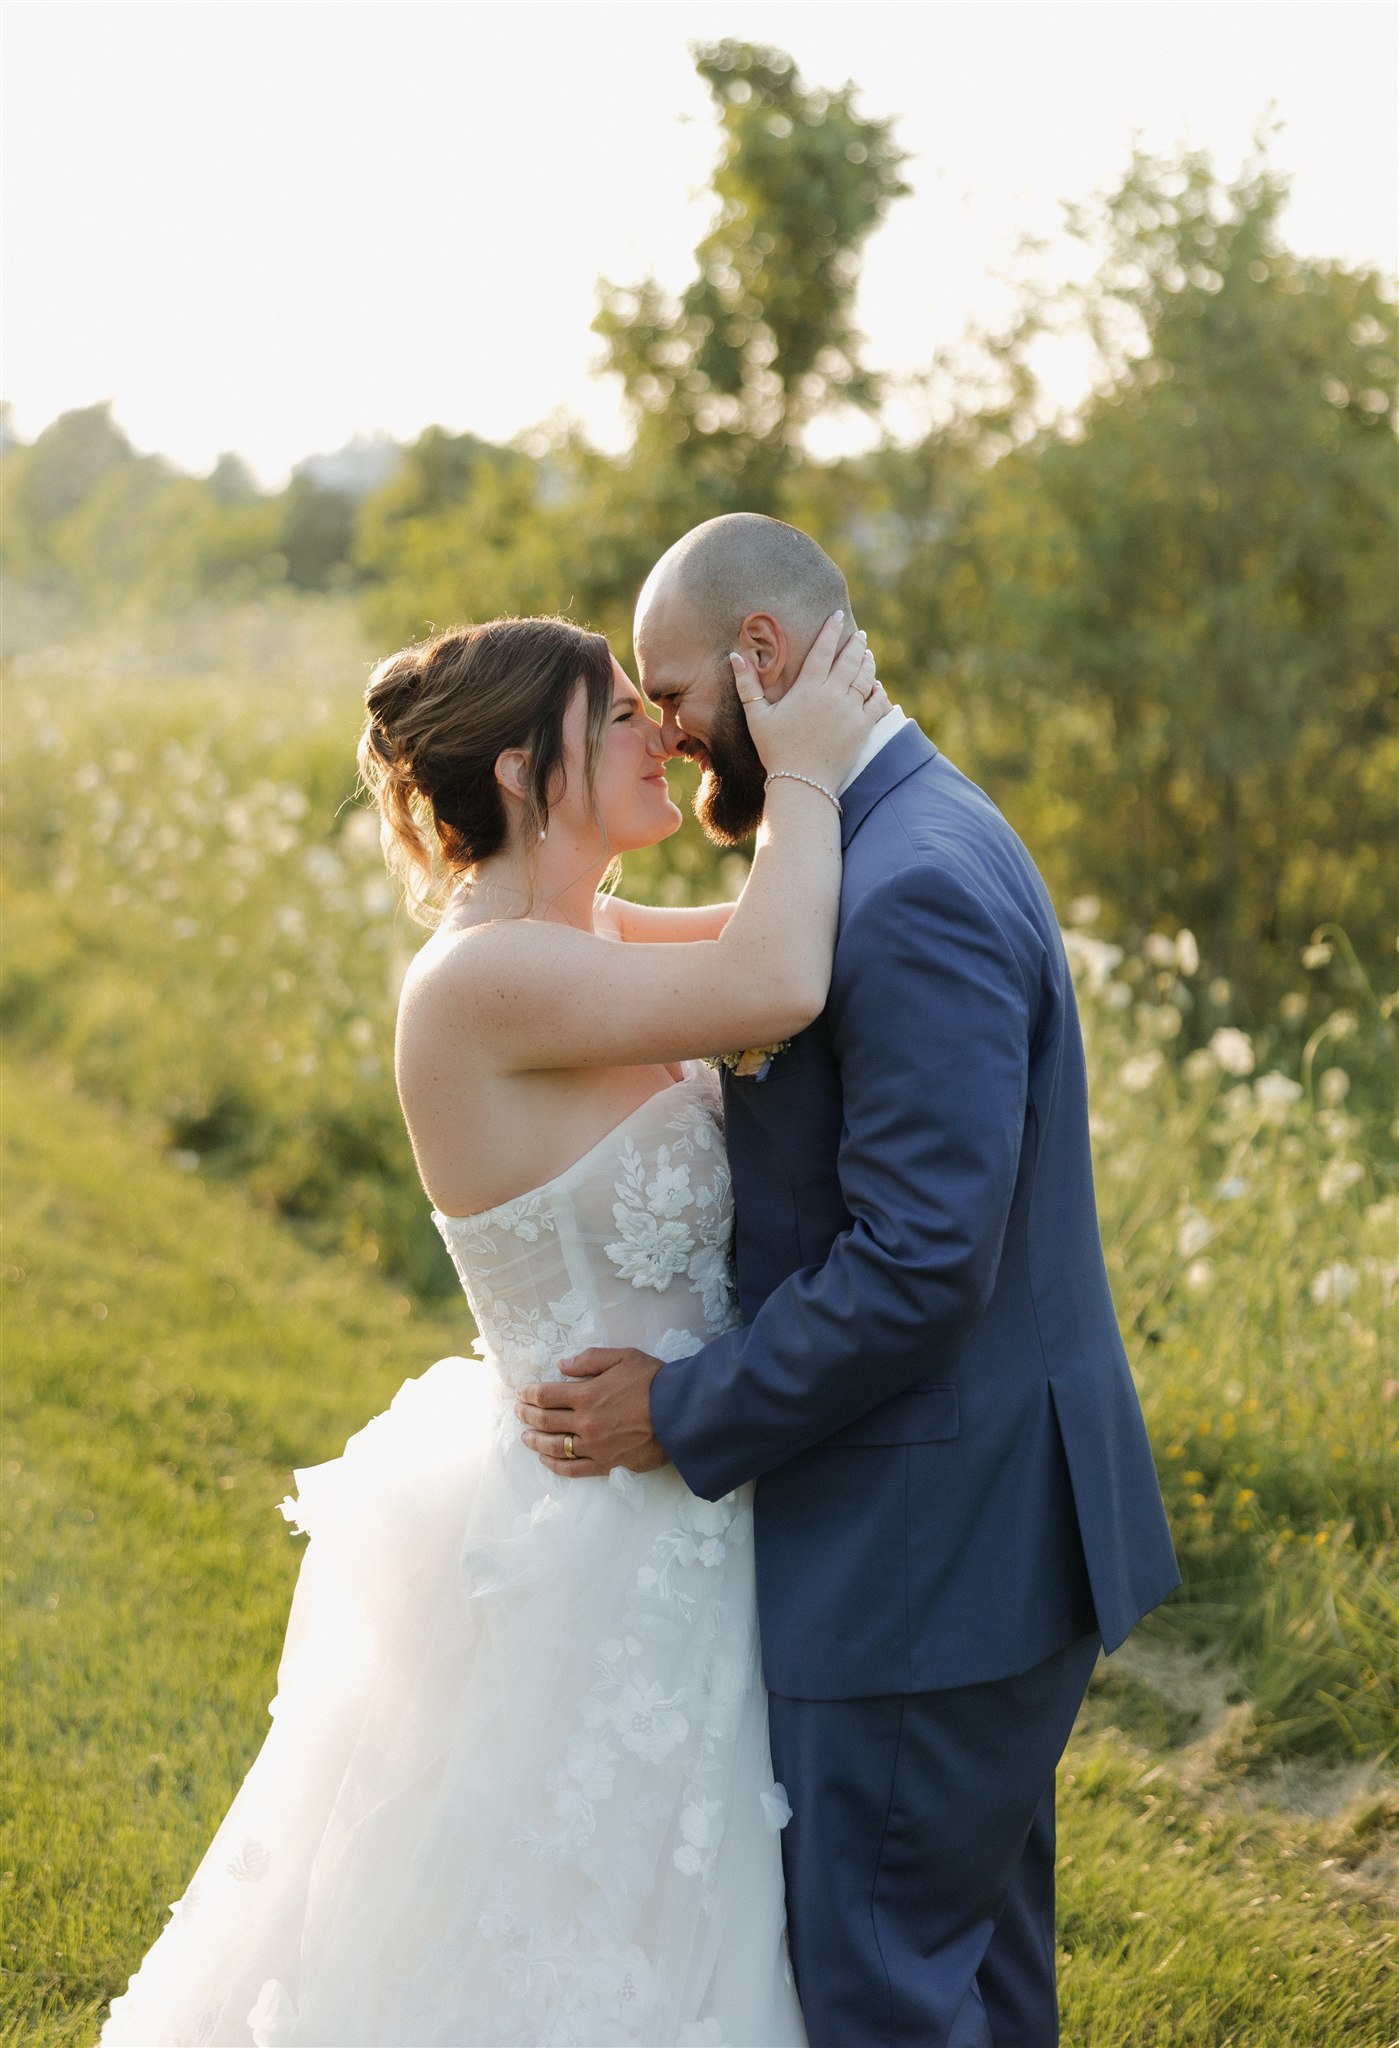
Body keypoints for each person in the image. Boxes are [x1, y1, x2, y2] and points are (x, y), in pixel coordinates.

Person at [98, 605, 885, 2048]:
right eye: (620, 715)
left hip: (682, 1498)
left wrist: (851, 787)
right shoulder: (480, 977)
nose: (659, 733)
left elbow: (810, 933)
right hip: (598, 1526)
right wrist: (817, 771)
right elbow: (775, 981)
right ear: (526, 772)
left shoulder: (577, 931)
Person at [517, 514, 1182, 2048]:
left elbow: (922, 1260)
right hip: (975, 1544)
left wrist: (683, 1412)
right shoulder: (889, 837)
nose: (670, 739)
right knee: (981, 1981)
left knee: (881, 1995)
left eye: (674, 695)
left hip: (929, 1563)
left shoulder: (913, 884)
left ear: (763, 659)